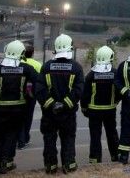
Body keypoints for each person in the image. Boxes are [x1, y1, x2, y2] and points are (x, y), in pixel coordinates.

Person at [0, 40, 38, 173]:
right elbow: (38, 81)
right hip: (18, 109)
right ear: (21, 53)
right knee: (11, 135)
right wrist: (30, 94)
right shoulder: (26, 68)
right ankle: (6, 163)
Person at [35, 34, 84, 174]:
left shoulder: (46, 67)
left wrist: (52, 104)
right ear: (70, 47)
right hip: (68, 113)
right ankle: (69, 165)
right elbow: (79, 90)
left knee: (49, 138)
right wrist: (64, 104)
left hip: (49, 113)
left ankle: (50, 166)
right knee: (68, 138)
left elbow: (40, 89)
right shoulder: (76, 68)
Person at [81, 45, 120, 164]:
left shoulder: (91, 75)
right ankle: (115, 155)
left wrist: (84, 107)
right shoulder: (115, 73)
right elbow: (119, 90)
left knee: (95, 135)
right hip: (110, 109)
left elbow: (85, 94)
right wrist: (116, 101)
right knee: (112, 133)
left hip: (94, 111)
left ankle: (94, 158)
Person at [18, 44, 42, 150]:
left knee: (19, 117)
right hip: (31, 95)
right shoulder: (37, 64)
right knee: (28, 117)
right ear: (32, 53)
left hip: (18, 93)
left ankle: (19, 138)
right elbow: (40, 81)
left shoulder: (19, 63)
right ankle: (25, 138)